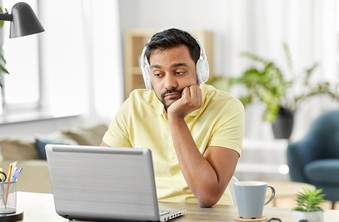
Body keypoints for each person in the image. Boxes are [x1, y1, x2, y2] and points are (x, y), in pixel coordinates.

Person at [101, 28, 244, 207]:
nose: (168, 84)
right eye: (158, 75)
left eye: (179, 72)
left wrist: (175, 118)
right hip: (150, 214)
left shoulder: (227, 107)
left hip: (208, 219)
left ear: (200, 72)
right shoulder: (134, 105)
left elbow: (208, 196)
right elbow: (103, 175)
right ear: (149, 77)